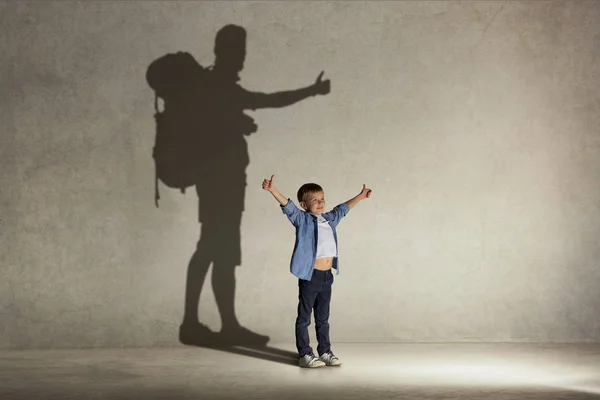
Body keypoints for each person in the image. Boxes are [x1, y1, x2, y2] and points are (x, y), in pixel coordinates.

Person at [180, 24, 331, 346]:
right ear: (224, 52)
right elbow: (206, 128)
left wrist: (310, 92)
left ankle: (217, 323)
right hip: (217, 184)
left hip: (229, 185)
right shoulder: (215, 86)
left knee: (220, 251)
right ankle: (196, 323)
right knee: (213, 248)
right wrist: (233, 125)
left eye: (242, 52)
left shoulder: (221, 86)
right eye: (237, 51)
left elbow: (269, 100)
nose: (241, 58)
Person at [262, 175, 372, 367]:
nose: (320, 203)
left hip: (327, 277)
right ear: (304, 205)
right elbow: (288, 207)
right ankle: (305, 354)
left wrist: (360, 196)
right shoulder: (302, 220)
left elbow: (343, 209)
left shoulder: (329, 219)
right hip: (310, 276)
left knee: (323, 318)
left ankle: (325, 351)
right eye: (315, 200)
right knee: (304, 318)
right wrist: (273, 191)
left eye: (322, 199)